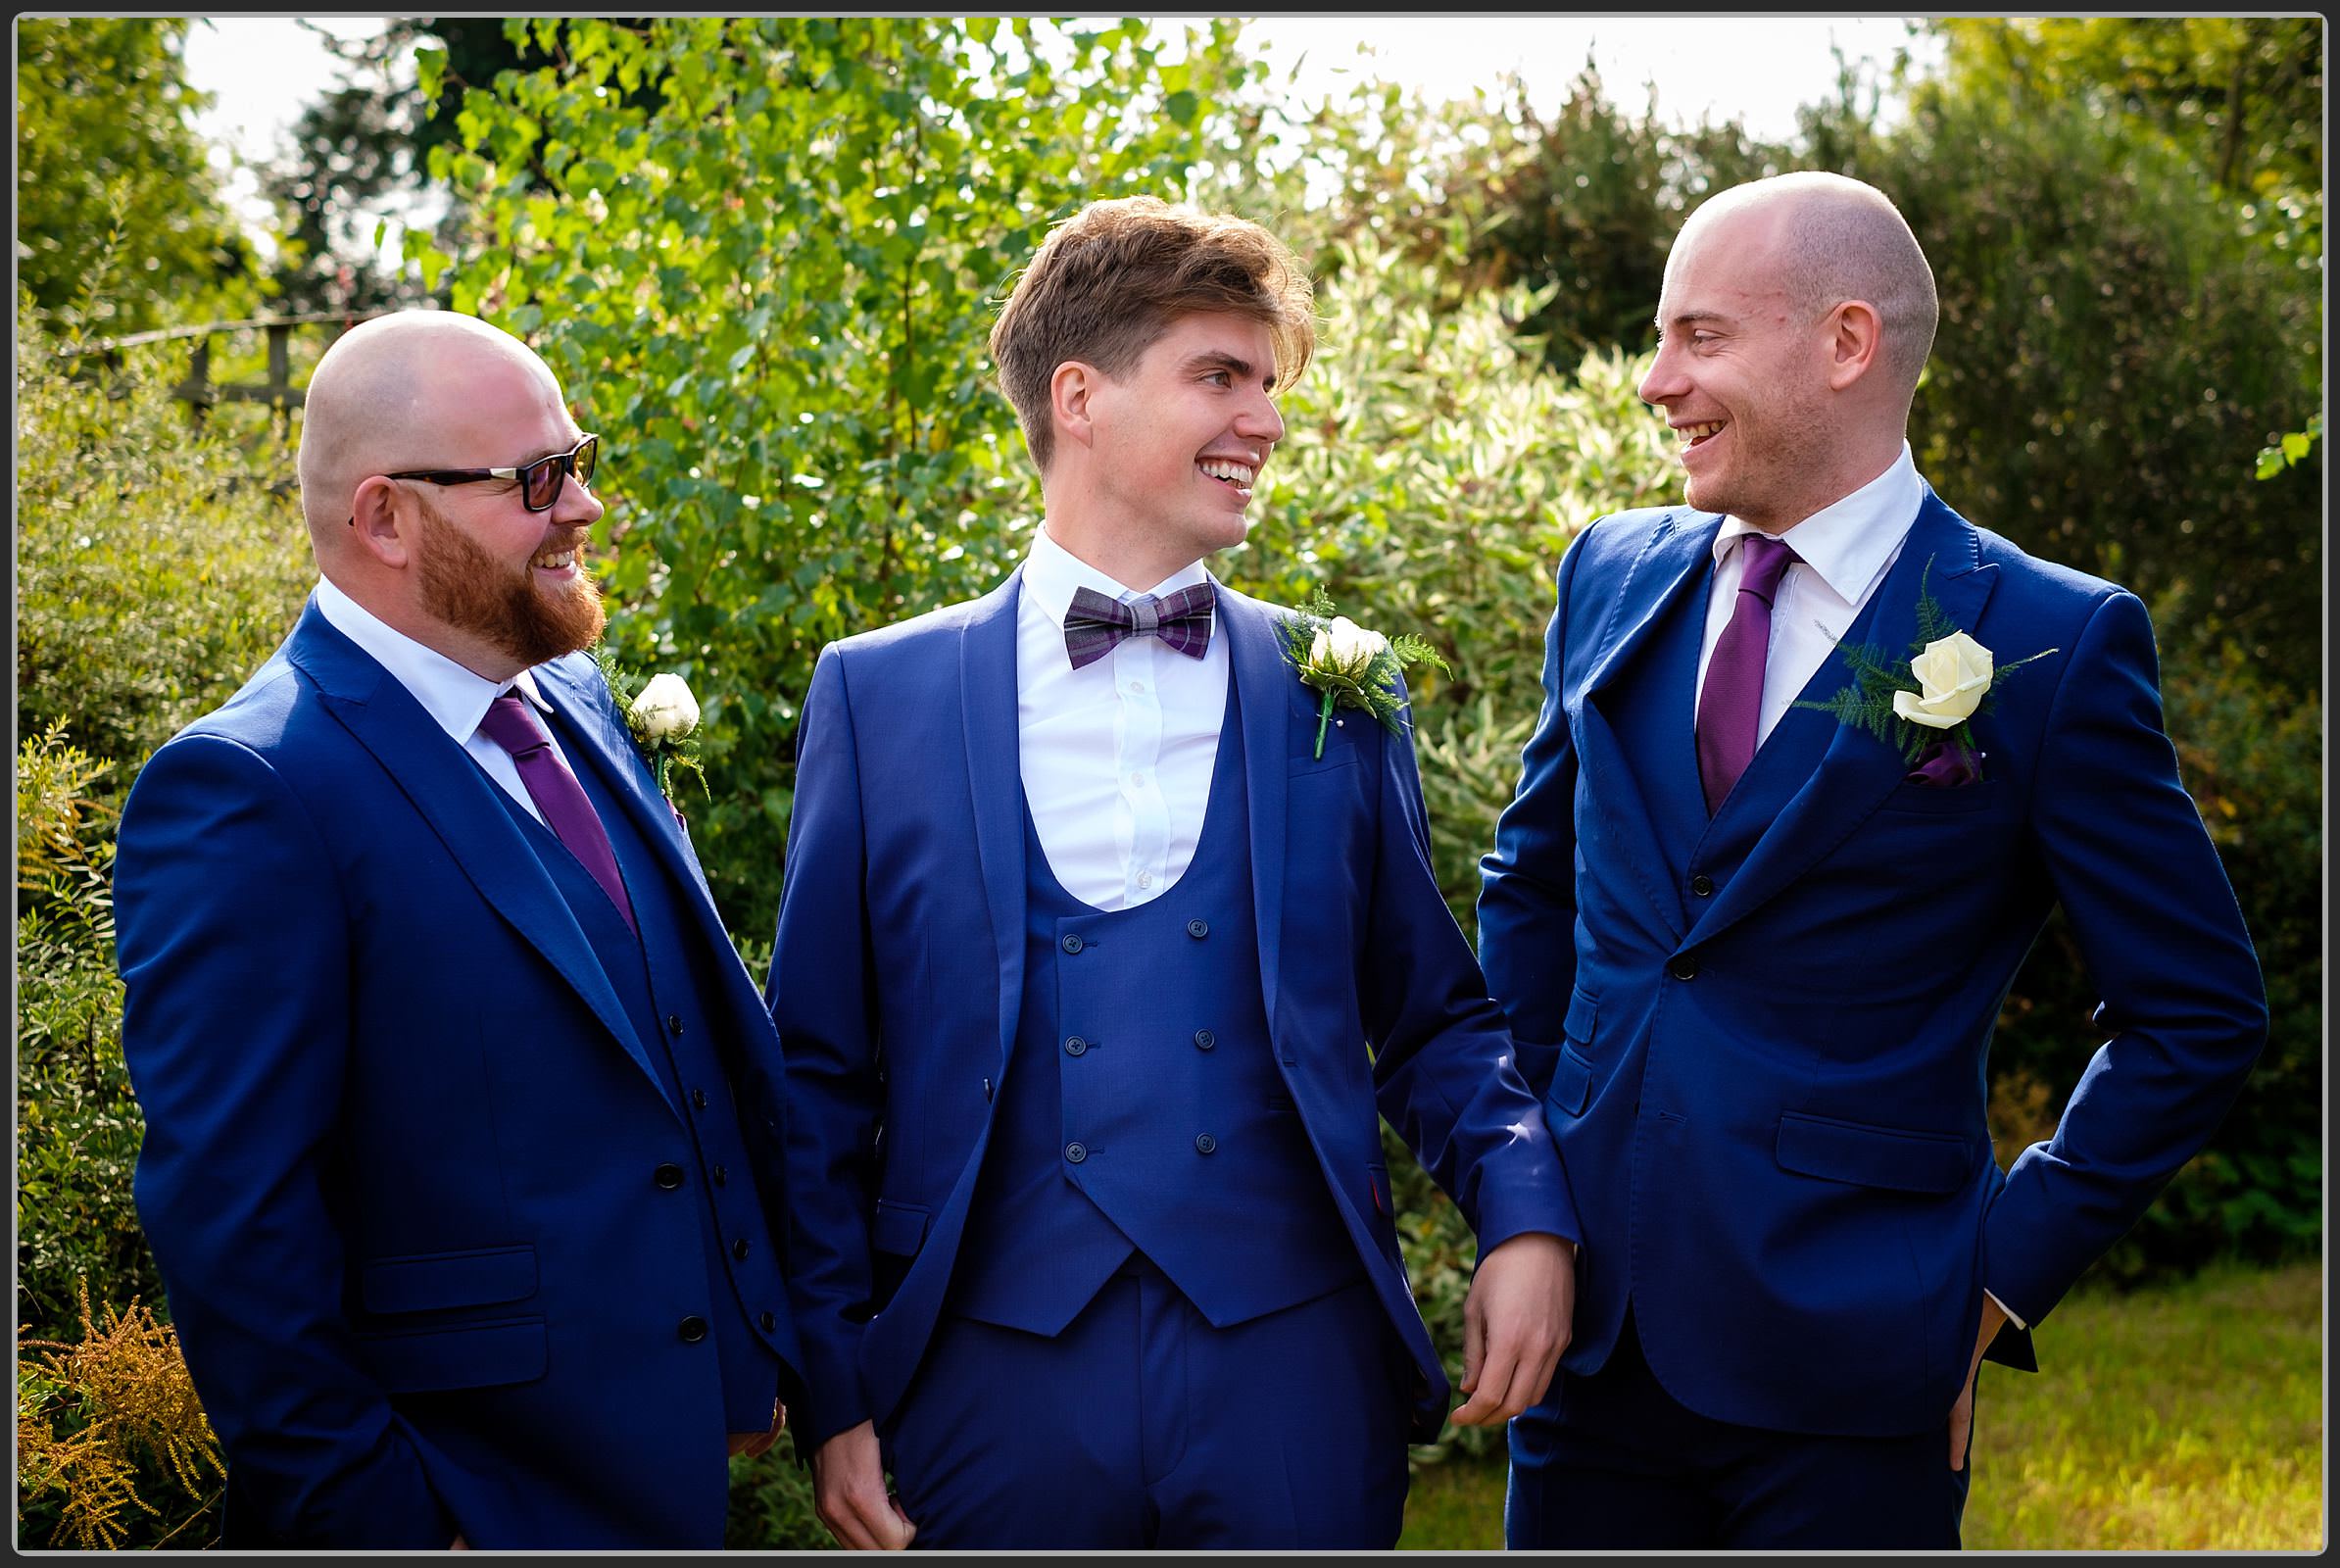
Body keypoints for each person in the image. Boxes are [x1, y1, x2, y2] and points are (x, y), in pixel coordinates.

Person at [769, 195, 1578, 1550]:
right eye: (1221, 377)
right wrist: (829, 1389)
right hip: (984, 1373)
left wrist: (1526, 1216)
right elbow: (816, 1078)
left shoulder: (1340, 687)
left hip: (1291, 1367)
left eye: (1269, 385)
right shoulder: (877, 696)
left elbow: (1433, 1017)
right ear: (1079, 398)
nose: (1265, 422)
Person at [1478, 171, 2267, 1549]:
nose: (1656, 381)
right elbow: (1533, 892)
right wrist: (1528, 1199)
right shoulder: (1607, 572)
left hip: (1855, 1371)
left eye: (1700, 337)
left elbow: (2197, 1015)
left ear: (1845, 344)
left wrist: (2000, 1275)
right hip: (1587, 1351)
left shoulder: (2045, 642)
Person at [112, 311, 804, 1548]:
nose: (583, 505)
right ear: (386, 518)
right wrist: (391, 1525)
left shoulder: (574, 697)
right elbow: (233, 1226)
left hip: (675, 1473)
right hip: (471, 1500)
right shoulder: (249, 789)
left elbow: (671, 1056)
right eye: (538, 478)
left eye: (580, 458)